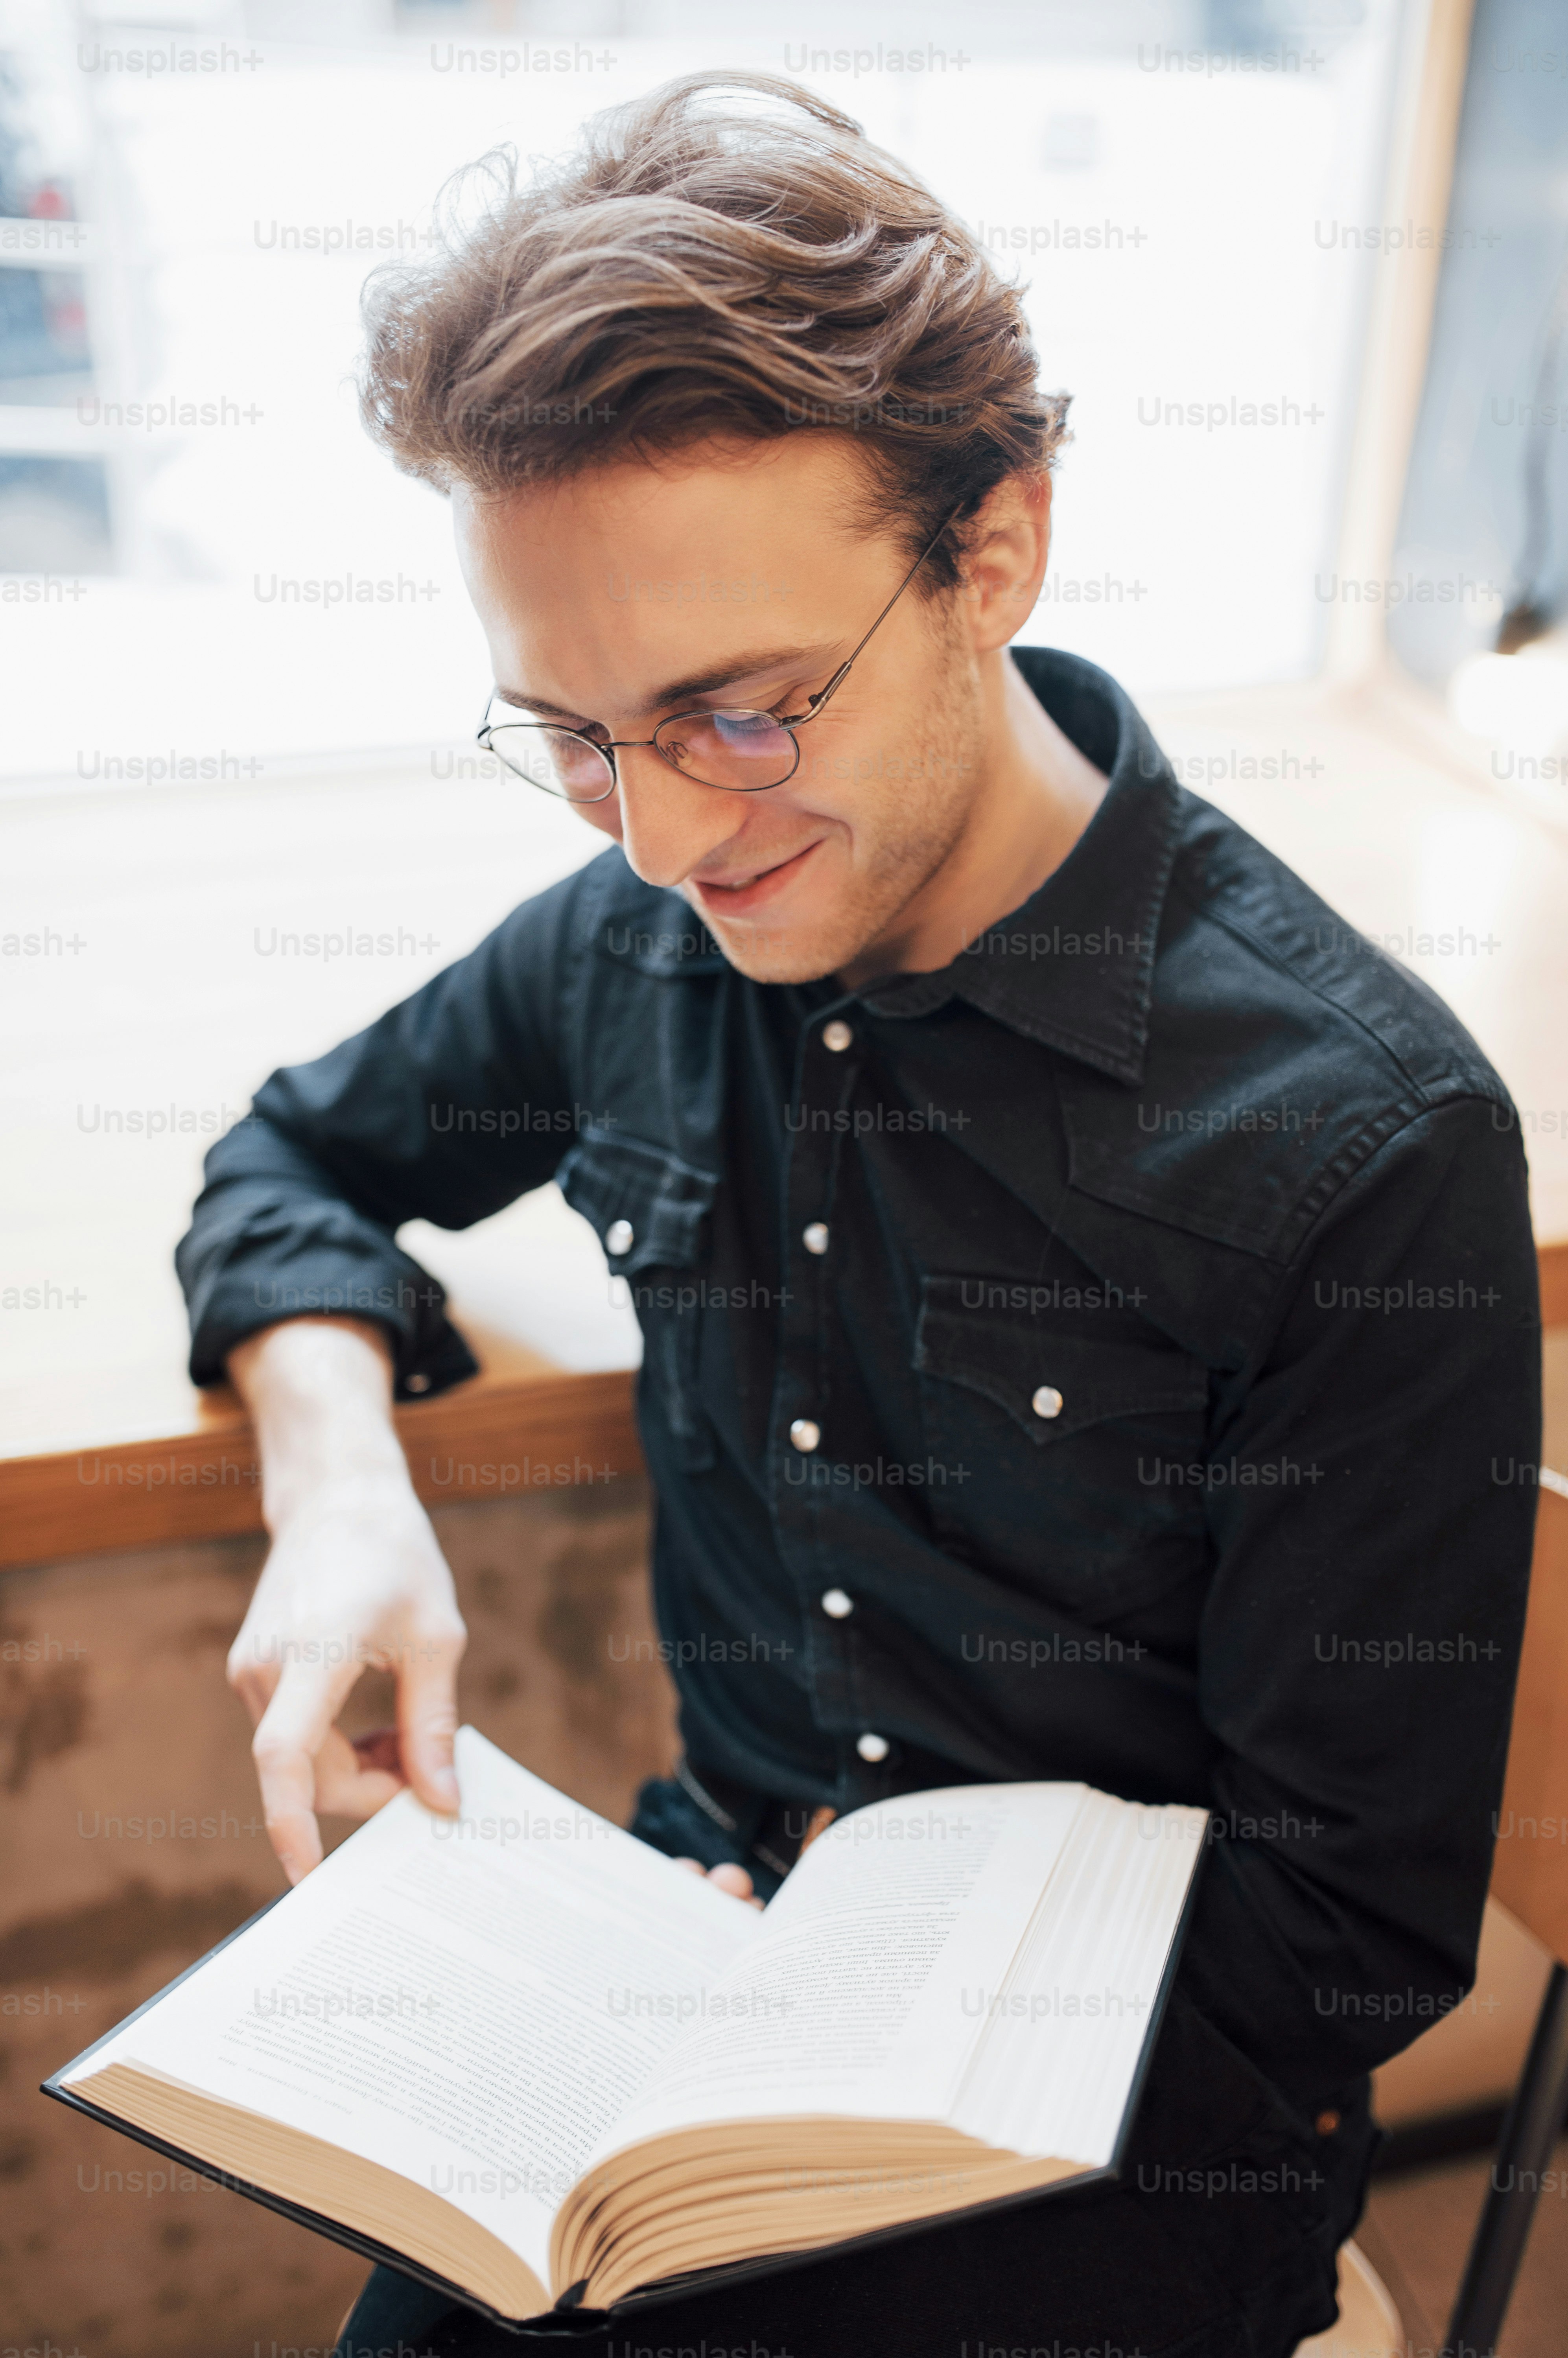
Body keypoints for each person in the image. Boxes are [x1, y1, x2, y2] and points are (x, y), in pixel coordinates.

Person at [175, 71, 1540, 2358]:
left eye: (730, 714)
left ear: (990, 549)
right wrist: (340, 1494)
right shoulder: (640, 940)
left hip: (1121, 2138)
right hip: (685, 1960)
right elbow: (296, 1158)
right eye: (572, 735)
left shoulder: (1355, 1135)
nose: (653, 843)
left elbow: (1341, 1938)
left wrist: (853, 2069)